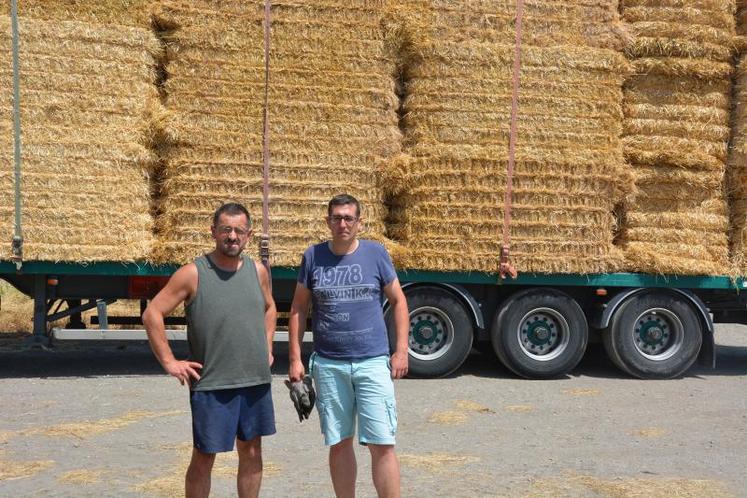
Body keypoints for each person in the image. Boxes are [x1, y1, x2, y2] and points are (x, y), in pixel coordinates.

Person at [143, 202, 276, 498]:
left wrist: (266, 346)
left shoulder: (258, 271)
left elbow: (270, 308)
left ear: (249, 234)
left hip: (254, 380)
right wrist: (170, 362)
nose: (232, 236)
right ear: (213, 231)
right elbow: (153, 313)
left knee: (252, 452)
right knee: (204, 457)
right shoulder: (193, 273)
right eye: (226, 229)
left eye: (239, 230)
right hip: (213, 383)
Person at [288, 193, 409, 498]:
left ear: (359, 222)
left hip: (372, 362)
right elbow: (299, 308)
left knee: (382, 443)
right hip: (329, 364)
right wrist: (295, 359)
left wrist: (401, 350)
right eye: (336, 218)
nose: (342, 224)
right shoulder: (313, 256)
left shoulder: (376, 254)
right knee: (339, 442)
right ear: (327, 221)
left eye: (348, 218)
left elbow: (398, 300)